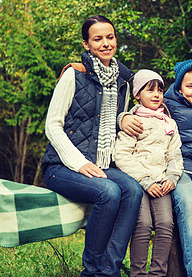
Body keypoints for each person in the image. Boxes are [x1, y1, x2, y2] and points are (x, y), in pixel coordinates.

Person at [41, 15, 143, 277]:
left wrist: (124, 117)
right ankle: (91, 271)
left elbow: (111, 117)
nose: (106, 43)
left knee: (132, 189)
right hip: (62, 166)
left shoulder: (123, 79)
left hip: (102, 161)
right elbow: (53, 125)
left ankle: (109, 270)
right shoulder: (74, 74)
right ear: (86, 44)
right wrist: (80, 163)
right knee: (108, 192)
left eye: (110, 37)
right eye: (98, 39)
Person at [120, 60, 192, 277]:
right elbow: (141, 106)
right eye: (190, 86)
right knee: (189, 206)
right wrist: (123, 117)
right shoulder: (167, 104)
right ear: (179, 88)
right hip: (178, 170)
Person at [114, 70, 183, 277]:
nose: (156, 95)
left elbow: (175, 153)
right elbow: (122, 155)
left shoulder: (168, 123)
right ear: (137, 95)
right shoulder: (133, 121)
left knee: (165, 224)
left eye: (160, 90)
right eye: (150, 90)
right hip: (139, 183)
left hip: (162, 182)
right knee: (143, 224)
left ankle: (157, 274)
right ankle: (137, 273)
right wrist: (144, 180)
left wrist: (172, 176)